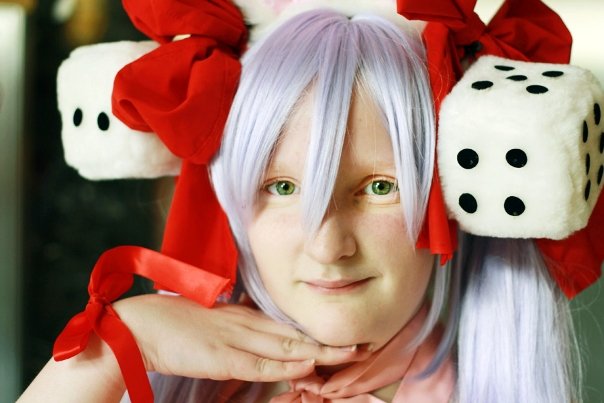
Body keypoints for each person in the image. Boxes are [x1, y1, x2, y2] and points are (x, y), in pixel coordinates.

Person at [19, 5, 587, 403]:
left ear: (451, 197)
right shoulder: (158, 374)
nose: (327, 246)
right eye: (283, 187)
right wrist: (121, 345)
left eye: (378, 187)